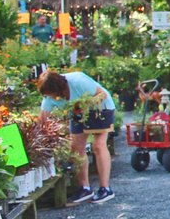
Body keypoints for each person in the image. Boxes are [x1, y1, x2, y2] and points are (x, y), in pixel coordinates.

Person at [37, 70, 116, 204]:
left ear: (57, 88)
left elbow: (101, 94)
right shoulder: (49, 97)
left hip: (100, 109)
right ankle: (85, 188)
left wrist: (84, 105)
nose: (49, 97)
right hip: (77, 112)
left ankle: (105, 188)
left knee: (98, 145)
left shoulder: (78, 81)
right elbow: (42, 120)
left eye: (51, 93)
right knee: (76, 148)